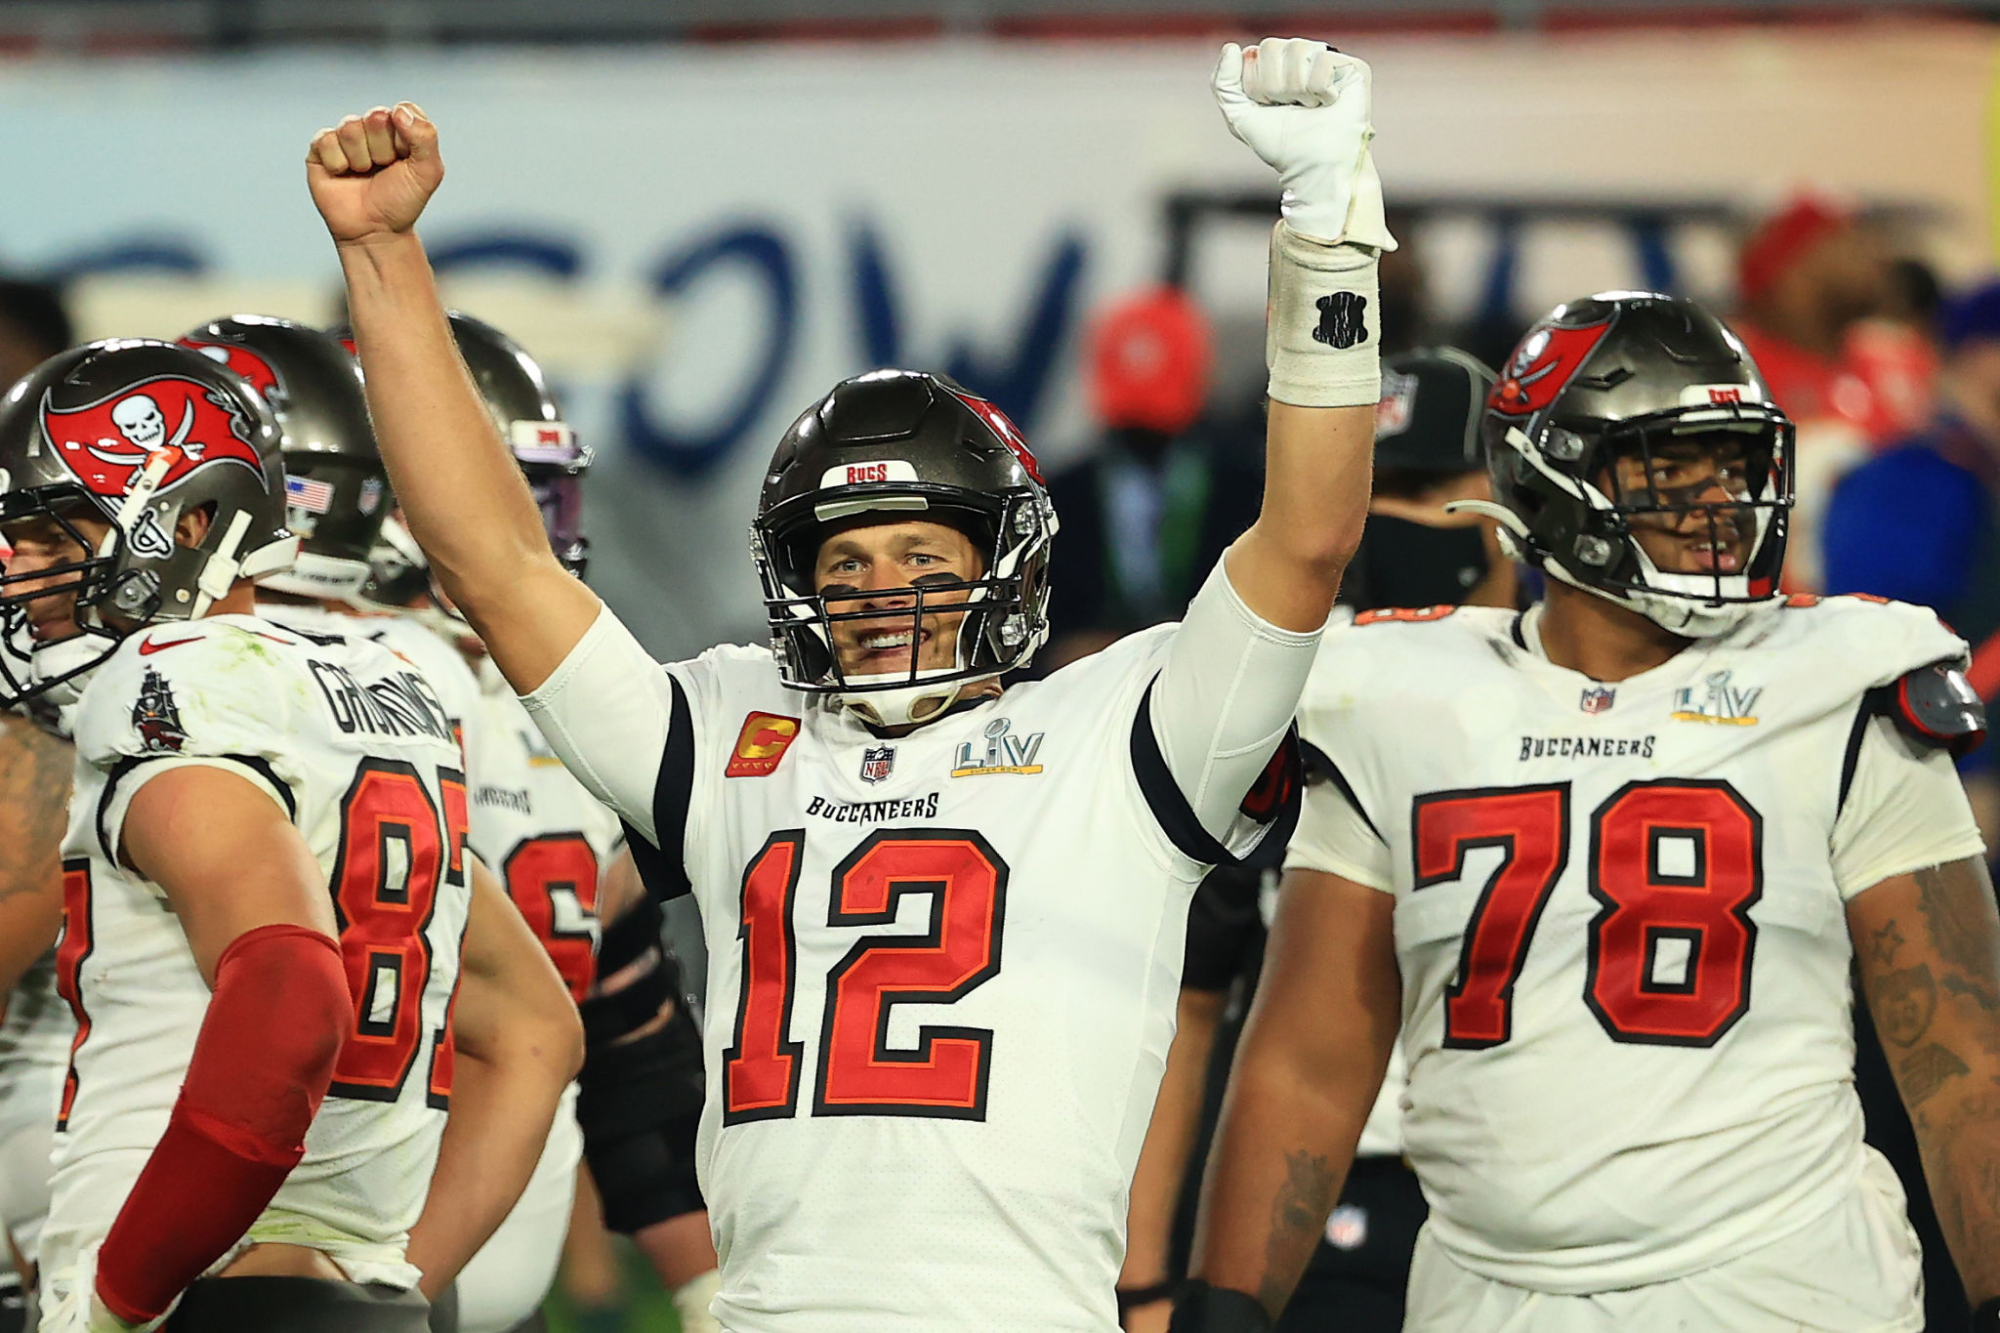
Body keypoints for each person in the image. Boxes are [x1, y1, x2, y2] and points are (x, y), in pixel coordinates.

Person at [306, 32, 1389, 1327]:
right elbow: (495, 565)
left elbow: (1310, 539)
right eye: (849, 557)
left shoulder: (1126, 731)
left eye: (924, 553)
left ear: (1009, 564)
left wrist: (1328, 227)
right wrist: (384, 257)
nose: (882, 588)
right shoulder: (729, 724)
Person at [1178, 292, 2000, 1333]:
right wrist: (1227, 1300)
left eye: (1733, 462)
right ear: (1547, 478)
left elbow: (1959, 1056)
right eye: (1670, 465)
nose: (1718, 499)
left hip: (1785, 1282)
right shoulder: (1394, 694)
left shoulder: (1841, 676)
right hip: (1487, 1290)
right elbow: (1309, 1055)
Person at [0, 339, 582, 1330]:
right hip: (329, 1295)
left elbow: (288, 998)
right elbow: (534, 1029)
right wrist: (397, 1278)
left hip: (186, 1289)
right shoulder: (376, 680)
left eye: (63, 538)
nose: (27, 576)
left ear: (188, 524)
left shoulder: (163, 684)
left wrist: (116, 1299)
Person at [1119, 348, 1504, 1333]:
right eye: (1368, 489)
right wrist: (1144, 1279)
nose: (1386, 519)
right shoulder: (1279, 701)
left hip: (1542, 1195)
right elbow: (1190, 999)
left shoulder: (1591, 684)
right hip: (1324, 1191)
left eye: (1420, 487)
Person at [1042, 288, 1263, 668]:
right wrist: (1065, 651)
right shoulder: (1059, 497)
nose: (1145, 432)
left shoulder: (1248, 489)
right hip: (1091, 691)